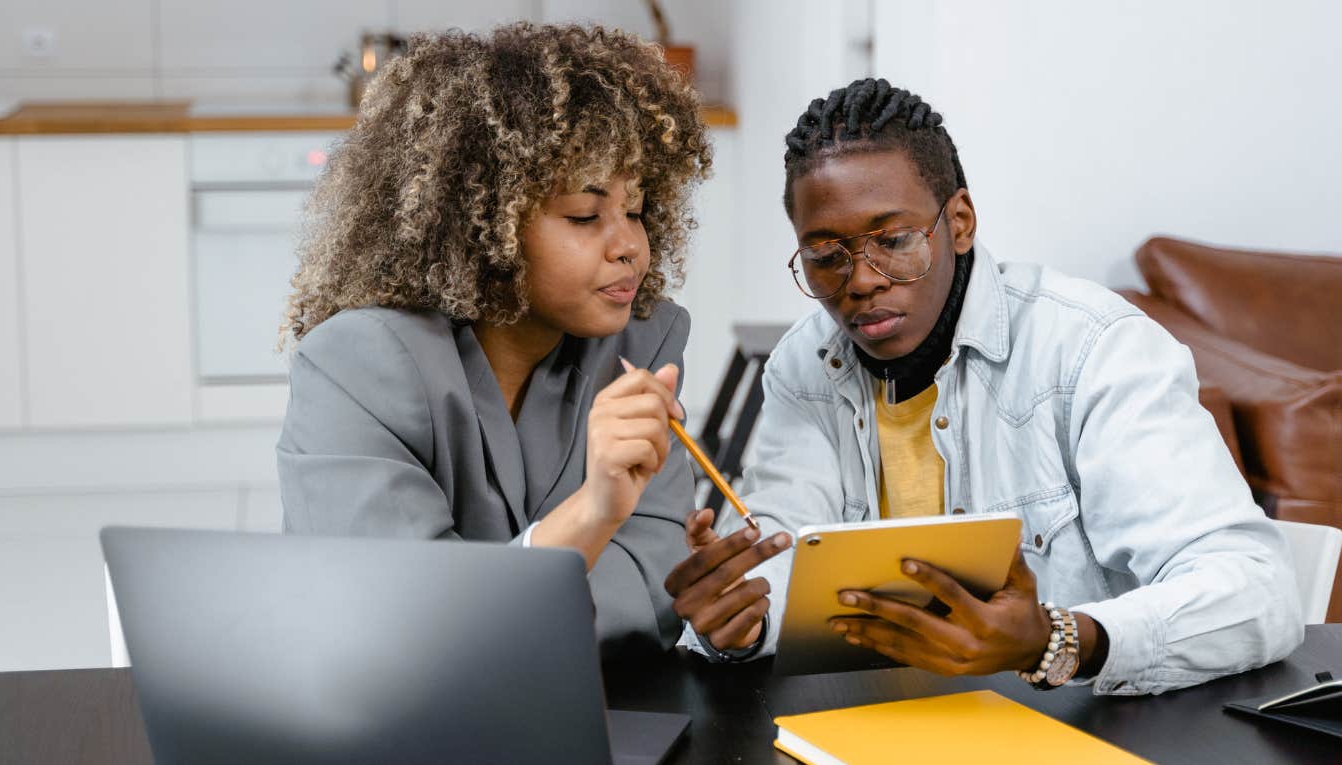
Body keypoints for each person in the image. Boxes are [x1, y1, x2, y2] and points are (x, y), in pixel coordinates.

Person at [667, 77, 1304, 693]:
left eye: (892, 241)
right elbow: (780, 561)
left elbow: (1255, 590)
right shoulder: (803, 363)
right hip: (878, 728)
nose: (860, 280)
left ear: (961, 222)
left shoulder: (1093, 348)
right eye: (826, 256)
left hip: (1077, 729)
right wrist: (743, 621)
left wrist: (1057, 640)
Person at [276, 23, 712, 658]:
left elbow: (649, 597)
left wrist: (486, 610)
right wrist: (593, 514)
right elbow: (399, 630)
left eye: (637, 209)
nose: (629, 245)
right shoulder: (355, 365)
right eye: (585, 216)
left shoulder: (642, 343)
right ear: (485, 226)